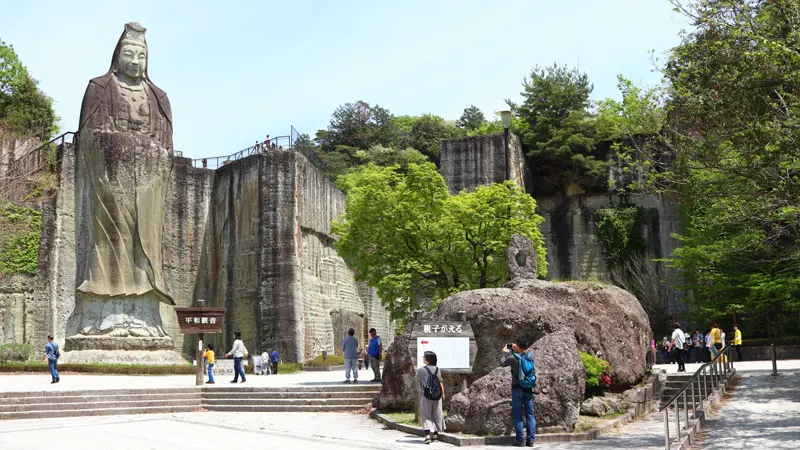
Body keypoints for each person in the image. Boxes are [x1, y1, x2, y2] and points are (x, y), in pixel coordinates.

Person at [501, 337, 536, 447]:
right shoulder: (530, 356)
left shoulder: (512, 358)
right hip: (529, 389)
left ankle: (520, 440)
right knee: (530, 415)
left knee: (518, 416)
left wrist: (508, 347)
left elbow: (502, 362)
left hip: (517, 389)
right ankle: (530, 441)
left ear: (517, 345)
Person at [416, 351, 445, 444]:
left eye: (424, 357)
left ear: (427, 359)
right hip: (437, 396)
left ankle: (427, 436)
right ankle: (435, 436)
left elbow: (416, 379)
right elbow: (440, 383)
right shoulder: (438, 369)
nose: (423, 359)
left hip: (426, 395)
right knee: (437, 414)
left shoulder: (421, 370)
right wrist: (443, 394)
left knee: (427, 415)